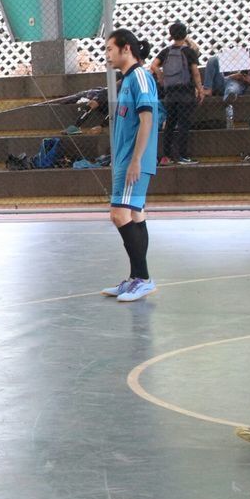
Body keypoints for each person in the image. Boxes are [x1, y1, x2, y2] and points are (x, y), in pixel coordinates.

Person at [100, 30, 161, 303]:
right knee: (135, 215)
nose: (107, 54)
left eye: (110, 48)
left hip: (133, 161)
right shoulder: (126, 80)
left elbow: (147, 120)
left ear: (126, 49)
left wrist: (136, 160)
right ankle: (137, 277)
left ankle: (144, 278)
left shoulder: (139, 77)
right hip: (126, 159)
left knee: (118, 214)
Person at [149, 21, 204, 165]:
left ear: (171, 35)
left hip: (170, 93)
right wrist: (200, 89)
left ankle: (166, 156)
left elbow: (153, 65)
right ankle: (182, 156)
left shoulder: (166, 51)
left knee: (170, 124)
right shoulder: (188, 52)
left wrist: (161, 76)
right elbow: (195, 72)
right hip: (185, 92)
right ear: (185, 35)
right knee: (183, 124)